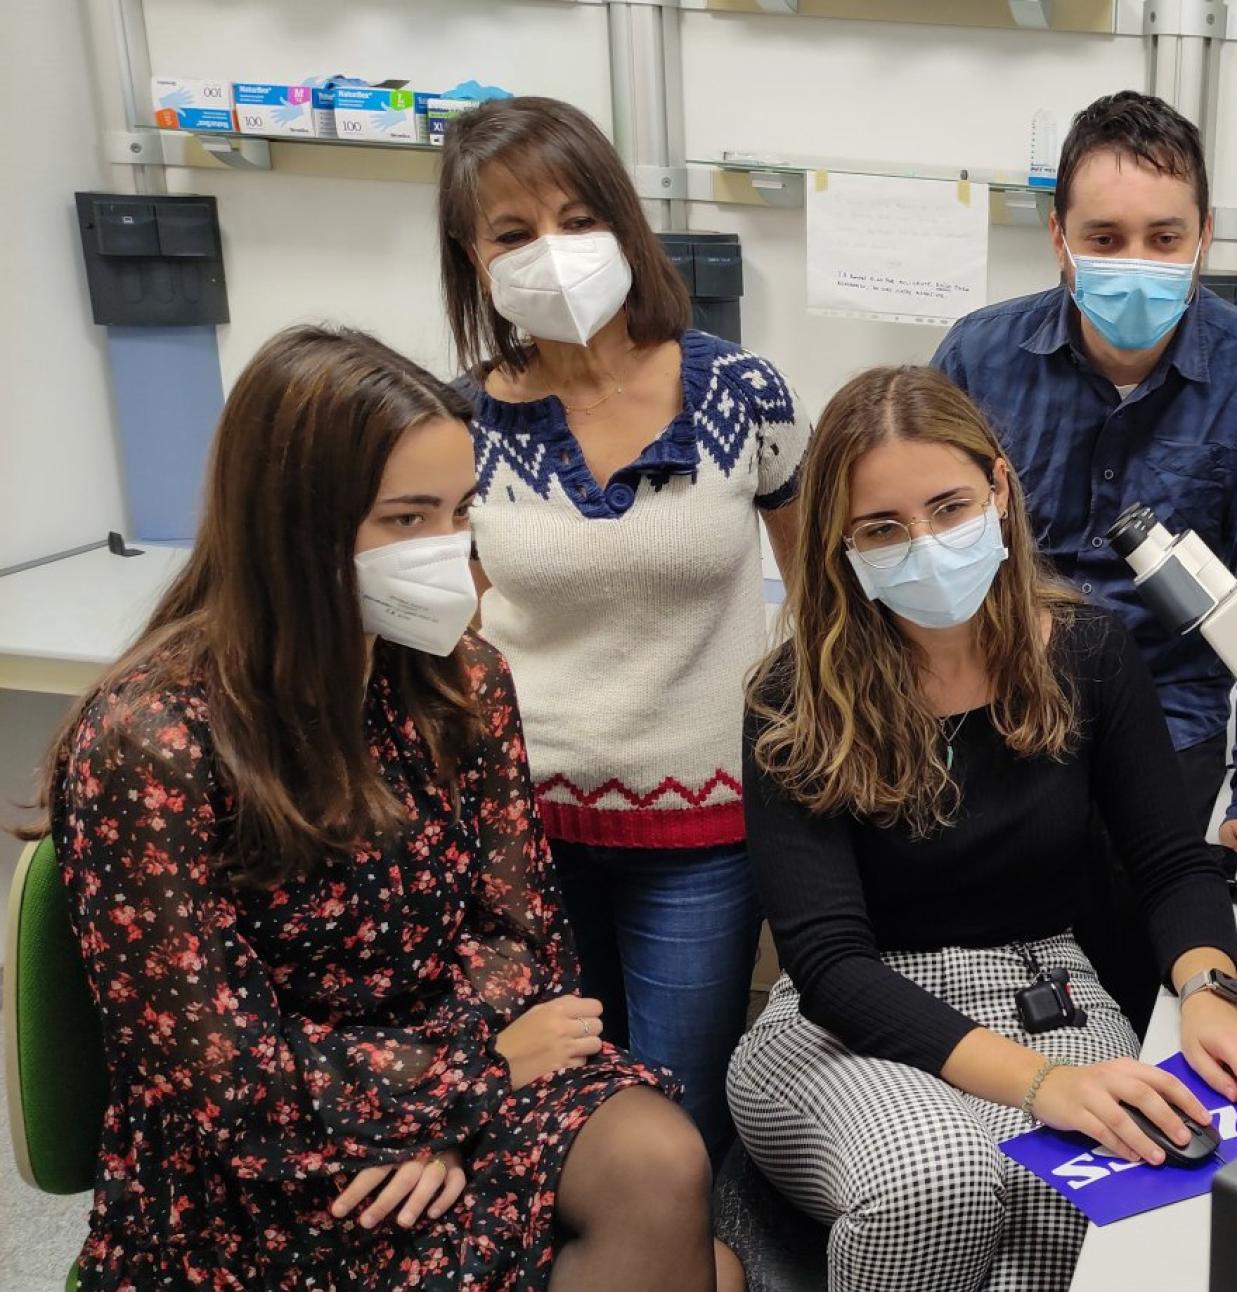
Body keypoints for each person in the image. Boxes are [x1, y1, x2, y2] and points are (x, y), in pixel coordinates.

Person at [25, 326, 739, 1290]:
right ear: (291, 526)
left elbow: (525, 941)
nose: (451, 552)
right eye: (407, 520)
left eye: (462, 512)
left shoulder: (464, 680)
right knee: (695, 1268)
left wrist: (454, 1110)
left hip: (459, 1067)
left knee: (661, 1160)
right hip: (261, 1154)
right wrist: (460, 1086)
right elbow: (221, 1079)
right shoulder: (152, 739)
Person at [729, 366, 1237, 1292]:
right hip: (846, 1025)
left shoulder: (1088, 652)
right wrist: (1040, 1086)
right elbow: (832, 968)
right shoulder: (791, 697)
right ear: (840, 543)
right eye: (882, 529)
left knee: (1092, 1188)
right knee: (935, 1182)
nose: (924, 543)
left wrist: (1206, 992)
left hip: (1045, 989)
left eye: (949, 506)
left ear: (999, 489)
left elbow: (1169, 863)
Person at [439, 97, 809, 1161]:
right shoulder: (456, 422)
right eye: (512, 234)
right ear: (472, 256)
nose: (549, 253)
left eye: (574, 216)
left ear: (623, 221)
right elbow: (439, 634)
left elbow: (820, 603)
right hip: (523, 831)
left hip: (703, 827)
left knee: (677, 1121)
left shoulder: (743, 391)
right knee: (552, 1120)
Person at [932, 90, 1237, 1033]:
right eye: (1104, 238)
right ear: (1059, 237)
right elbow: (923, 540)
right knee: (990, 986)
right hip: (1000, 721)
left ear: (1204, 237)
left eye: (1162, 236)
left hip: (1173, 741)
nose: (1134, 263)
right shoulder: (978, 358)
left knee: (1127, 998)